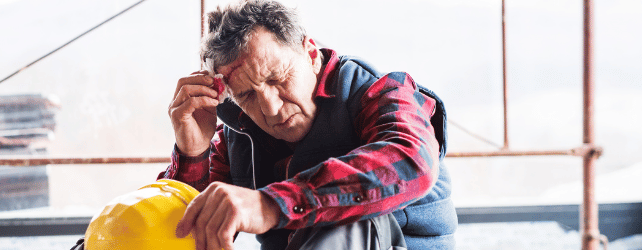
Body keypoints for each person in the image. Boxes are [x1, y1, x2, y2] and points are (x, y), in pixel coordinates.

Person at [161, 0, 456, 249]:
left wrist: (271, 204)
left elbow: (410, 158)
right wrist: (192, 153)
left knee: (345, 216)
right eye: (248, 95)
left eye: (277, 78)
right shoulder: (239, 131)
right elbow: (181, 235)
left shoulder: (379, 93)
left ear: (311, 54)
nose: (271, 109)